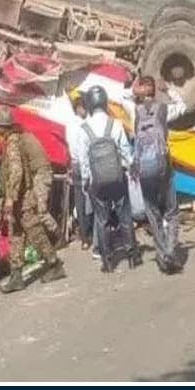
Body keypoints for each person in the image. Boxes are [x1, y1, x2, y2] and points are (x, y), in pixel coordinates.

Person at [0, 105, 63, 292]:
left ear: (2, 126)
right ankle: (16, 275)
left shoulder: (13, 142)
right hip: (19, 198)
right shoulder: (12, 140)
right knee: (16, 234)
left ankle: (54, 263)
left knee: (34, 232)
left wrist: (10, 198)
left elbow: (16, 171)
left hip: (22, 198)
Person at [122, 76, 187, 271]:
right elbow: (182, 106)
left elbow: (122, 97)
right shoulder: (163, 109)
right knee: (172, 211)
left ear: (141, 90)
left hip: (143, 168)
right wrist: (168, 90)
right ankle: (170, 250)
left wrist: (134, 91)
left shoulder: (134, 112)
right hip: (163, 166)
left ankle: (161, 253)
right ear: (155, 91)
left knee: (152, 212)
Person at [74, 86, 136, 272]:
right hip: (117, 178)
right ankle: (132, 256)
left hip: (97, 183)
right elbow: (125, 151)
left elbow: (83, 159)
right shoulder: (114, 124)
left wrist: (86, 181)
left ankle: (107, 261)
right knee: (125, 216)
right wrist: (130, 167)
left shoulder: (83, 129)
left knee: (102, 220)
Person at [63, 91, 94, 255]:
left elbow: (69, 147)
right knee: (94, 199)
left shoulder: (69, 125)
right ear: (80, 108)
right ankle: (94, 233)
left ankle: (84, 238)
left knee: (80, 203)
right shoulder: (85, 124)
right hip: (86, 164)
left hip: (75, 165)